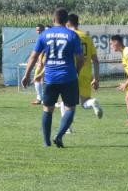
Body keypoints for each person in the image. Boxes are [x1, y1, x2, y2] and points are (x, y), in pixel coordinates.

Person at [20, 8, 83, 147]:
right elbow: (80, 58)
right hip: (68, 77)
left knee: (47, 109)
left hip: (50, 78)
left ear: (53, 19)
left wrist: (26, 75)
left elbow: (33, 56)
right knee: (70, 109)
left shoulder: (44, 35)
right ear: (66, 21)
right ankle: (59, 136)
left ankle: (46, 142)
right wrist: (76, 72)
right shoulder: (72, 35)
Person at [66, 13, 102, 119]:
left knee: (66, 101)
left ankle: (67, 126)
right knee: (85, 102)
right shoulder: (87, 37)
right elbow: (95, 60)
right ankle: (92, 102)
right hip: (86, 74)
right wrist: (96, 79)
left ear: (67, 23)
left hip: (72, 72)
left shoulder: (68, 36)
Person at [29, 23, 46, 104]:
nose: (38, 32)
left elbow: (43, 51)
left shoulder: (45, 37)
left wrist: (40, 61)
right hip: (42, 60)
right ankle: (40, 98)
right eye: (37, 30)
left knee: (42, 79)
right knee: (38, 78)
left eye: (39, 30)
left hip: (46, 60)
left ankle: (43, 99)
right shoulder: (40, 37)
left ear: (43, 29)